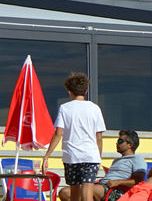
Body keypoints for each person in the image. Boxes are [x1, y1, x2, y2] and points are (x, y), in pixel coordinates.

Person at [44, 73, 109, 201]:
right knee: (87, 188)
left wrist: (47, 155)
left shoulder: (64, 108)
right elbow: (99, 136)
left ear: (69, 91)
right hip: (91, 155)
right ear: (86, 90)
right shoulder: (95, 108)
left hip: (71, 155)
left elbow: (58, 133)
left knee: (74, 191)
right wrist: (98, 155)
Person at [60, 130, 147, 201]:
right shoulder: (116, 161)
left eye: (120, 141)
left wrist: (118, 182)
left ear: (130, 145)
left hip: (117, 192)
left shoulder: (137, 159)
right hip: (102, 187)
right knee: (64, 192)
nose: (116, 143)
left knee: (86, 191)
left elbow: (138, 181)